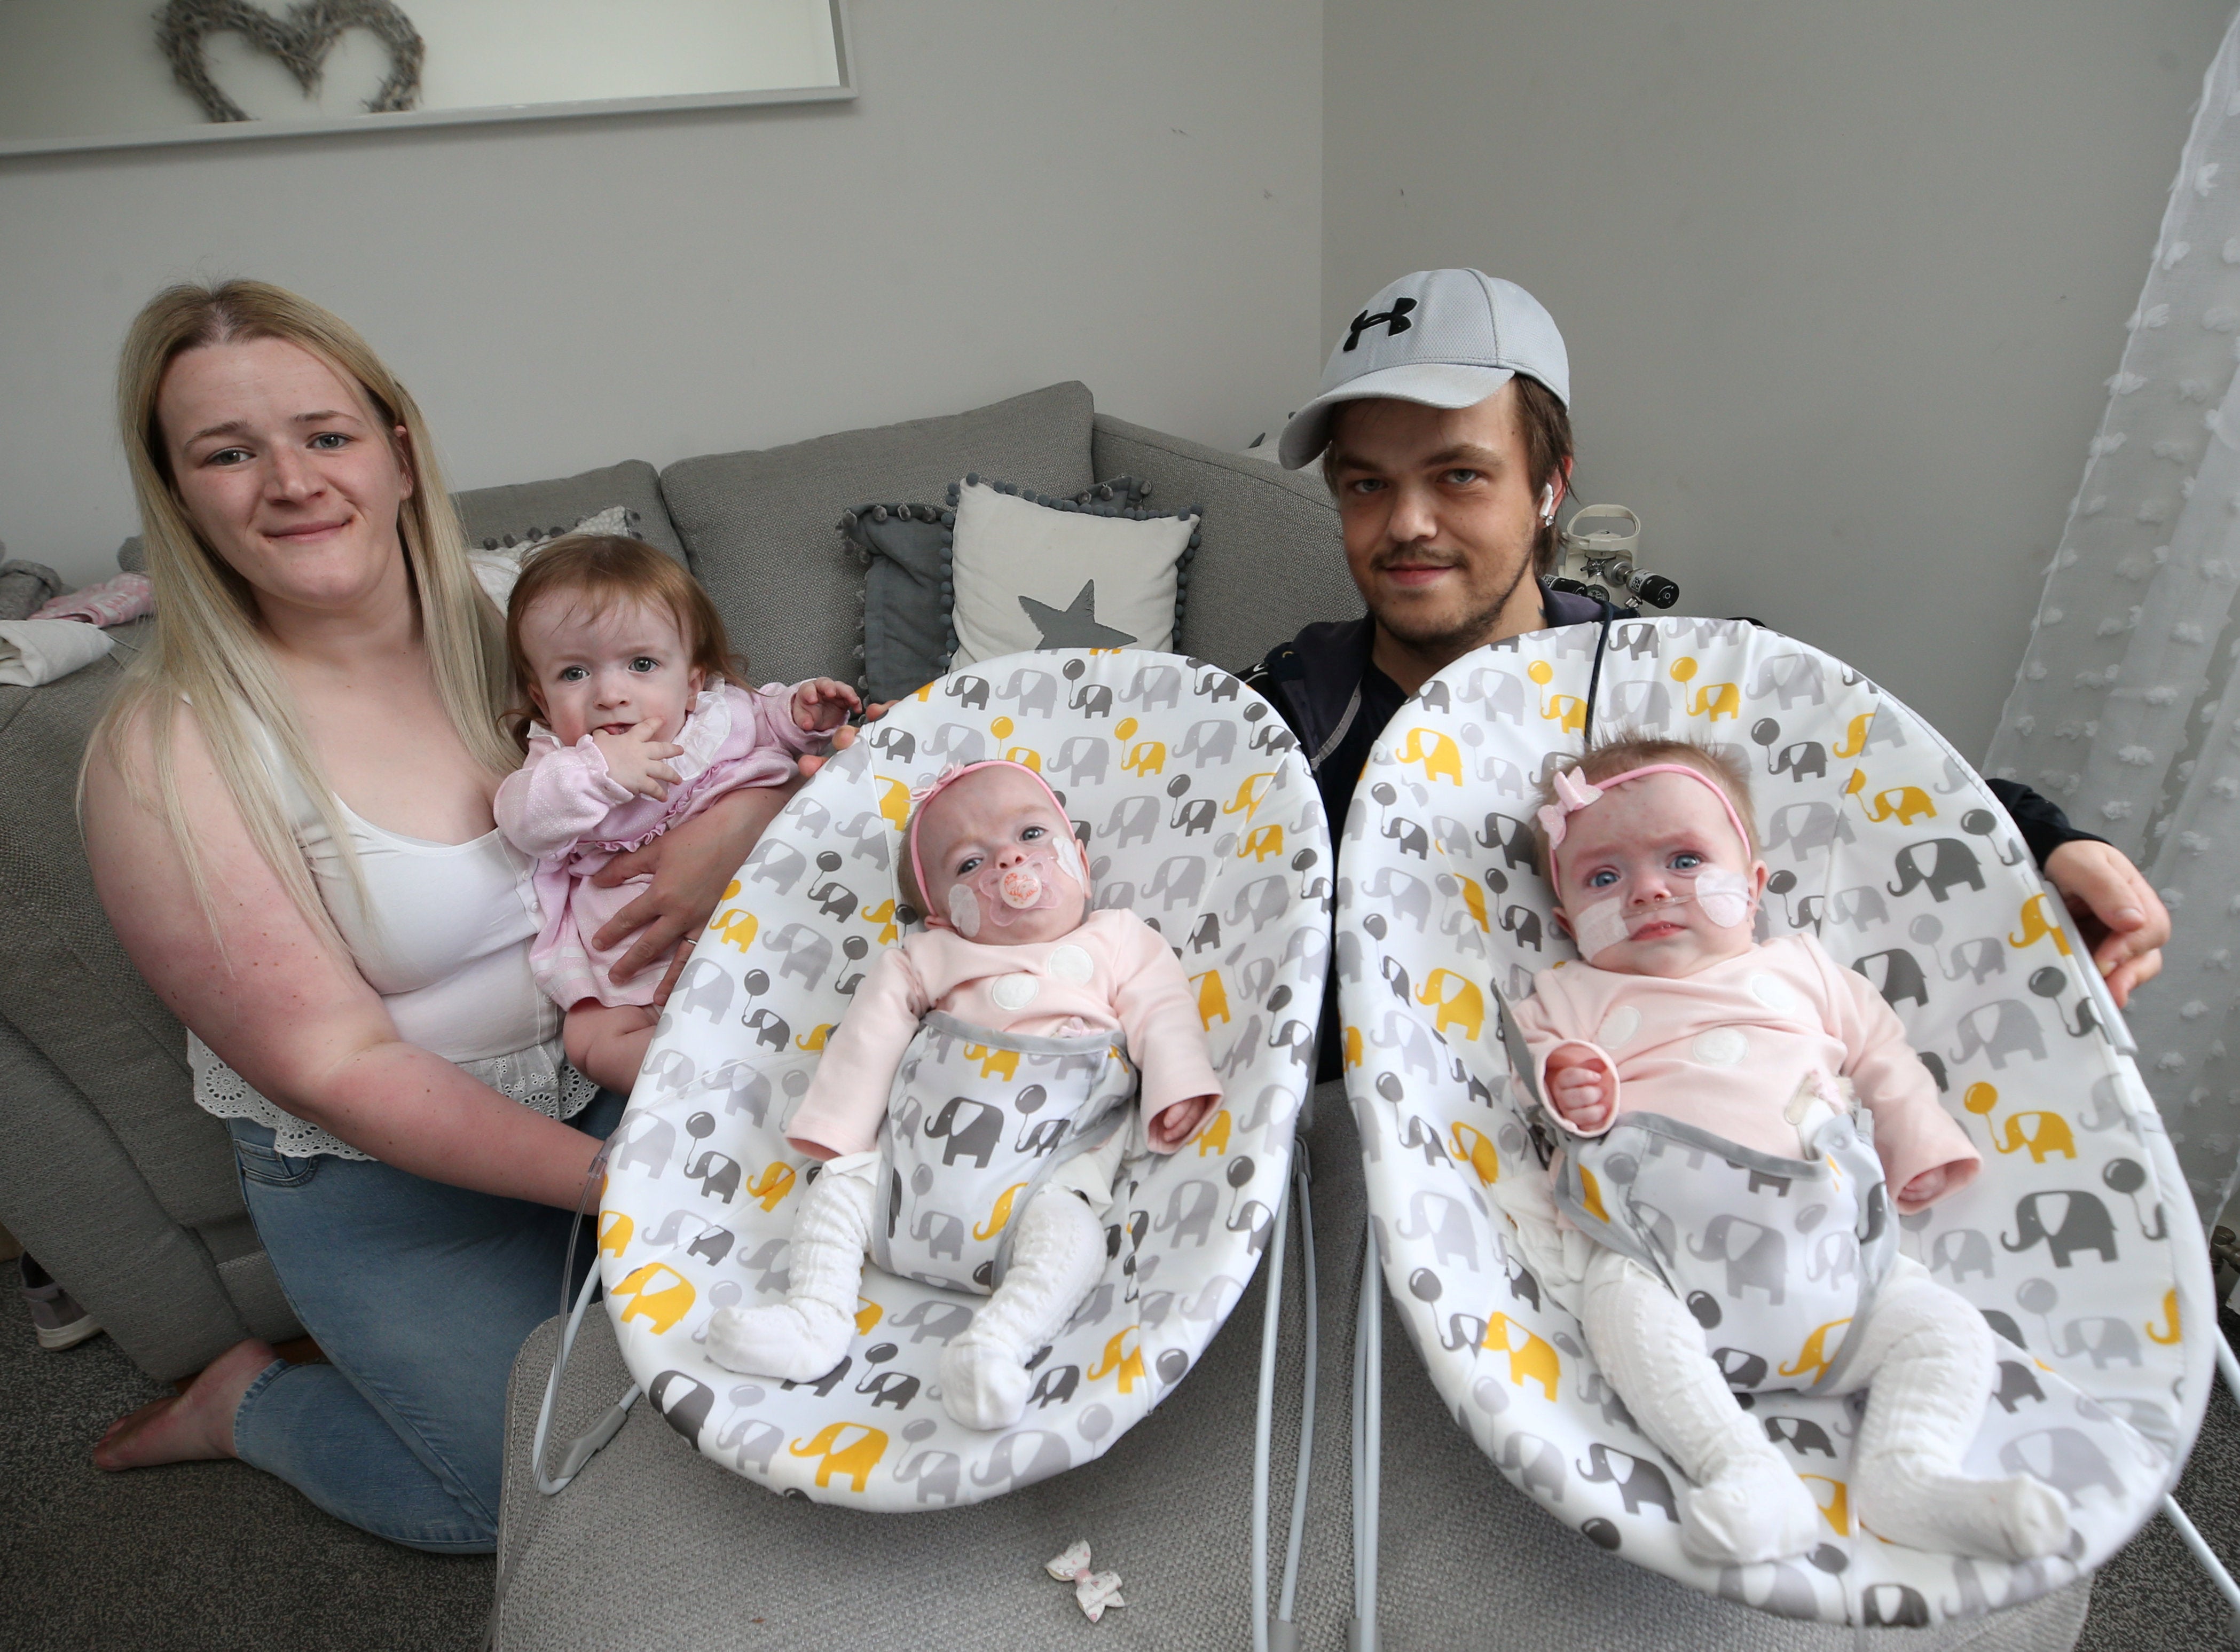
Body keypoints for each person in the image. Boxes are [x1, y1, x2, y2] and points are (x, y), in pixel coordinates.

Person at [78, 281, 790, 1552]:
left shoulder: (527, 608)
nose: (291, 481)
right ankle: (254, 1407)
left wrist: (725, 837)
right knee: (507, 1502)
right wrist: (631, 1189)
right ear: (179, 495)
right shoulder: (166, 754)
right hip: (396, 1182)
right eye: (229, 454)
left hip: (624, 1069)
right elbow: (339, 1068)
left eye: (326, 435)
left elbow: (743, 742)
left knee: (760, 1385)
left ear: (399, 454)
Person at [1245, 268, 2170, 1060]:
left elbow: (1882, 778)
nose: (1407, 523)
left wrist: (2051, 849)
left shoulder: (1676, 684)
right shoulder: (1293, 713)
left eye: (1459, 475)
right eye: (1368, 483)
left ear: (1550, 485)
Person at [1507, 737, 2066, 1566]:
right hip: (1664, 1254)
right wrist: (1567, 1076)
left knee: (1945, 1329)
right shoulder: (1574, 990)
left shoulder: (1804, 970)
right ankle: (1740, 1467)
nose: (1649, 890)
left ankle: (1906, 1475)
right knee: (1617, 1309)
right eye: (1602, 878)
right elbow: (1531, 1069)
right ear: (1564, 924)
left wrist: (1918, 1139)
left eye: (1685, 858)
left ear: (1756, 884)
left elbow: (1881, 1054)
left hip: (1835, 1256)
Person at [705, 759, 1220, 1429]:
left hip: (1037, 1175)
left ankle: (994, 1347)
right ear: (941, 915)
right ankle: (816, 1317)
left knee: (1073, 1237)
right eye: (970, 863)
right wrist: (839, 1130)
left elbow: (1165, 1011)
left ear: (1080, 861)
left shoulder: (1117, 940)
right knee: (839, 1191)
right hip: (908, 1174)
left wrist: (1175, 1086)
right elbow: (869, 1036)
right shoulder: (927, 956)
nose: (1011, 859)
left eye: (1033, 834)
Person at [495, 534, 858, 1092]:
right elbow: (521, 819)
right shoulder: (558, 761)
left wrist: (804, 713)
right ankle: (704, 1088)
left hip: (760, 932)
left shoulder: (718, 719)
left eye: (641, 664)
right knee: (590, 1041)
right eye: (574, 674)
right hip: (632, 967)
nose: (610, 693)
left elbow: (771, 719)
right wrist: (596, 773)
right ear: (541, 700)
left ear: (691, 684)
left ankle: (812, 1064)